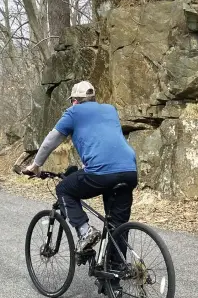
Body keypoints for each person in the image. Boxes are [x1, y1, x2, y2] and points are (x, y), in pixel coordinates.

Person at [26, 81, 138, 256]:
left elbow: (50, 142)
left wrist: (36, 165)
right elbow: (103, 141)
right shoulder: (110, 110)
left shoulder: (73, 112)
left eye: (72, 101)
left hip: (102, 173)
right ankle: (114, 275)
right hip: (129, 171)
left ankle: (85, 232)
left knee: (64, 189)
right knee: (118, 226)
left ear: (75, 101)